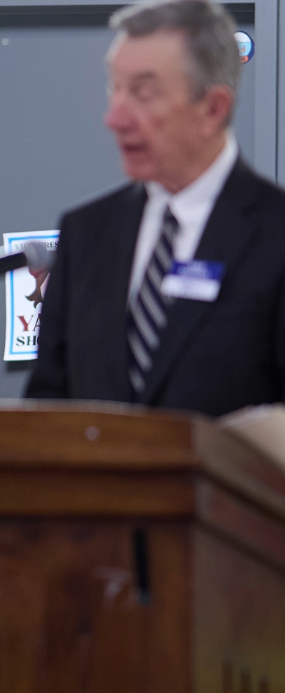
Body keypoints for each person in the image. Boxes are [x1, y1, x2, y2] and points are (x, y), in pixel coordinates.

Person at [26, 0, 285, 416]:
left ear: (213, 108)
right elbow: (47, 403)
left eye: (143, 93)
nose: (116, 117)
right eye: (115, 88)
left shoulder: (275, 232)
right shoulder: (85, 232)